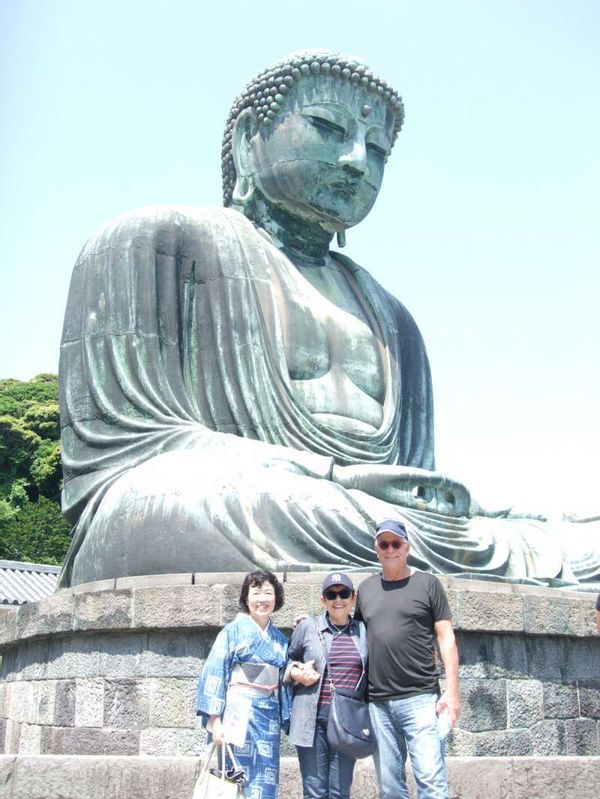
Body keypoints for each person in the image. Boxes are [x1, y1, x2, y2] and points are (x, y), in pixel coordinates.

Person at [57, 48, 599, 589]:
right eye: (327, 127)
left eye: (379, 151)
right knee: (190, 504)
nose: (357, 161)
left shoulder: (394, 319)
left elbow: (415, 479)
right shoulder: (152, 243)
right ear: (250, 142)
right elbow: (124, 454)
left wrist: (448, 503)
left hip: (368, 514)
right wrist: (333, 475)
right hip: (243, 500)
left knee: (572, 542)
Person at [355, 519, 460, 799]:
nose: (390, 549)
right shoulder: (365, 589)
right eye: (384, 544)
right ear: (376, 549)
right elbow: (353, 636)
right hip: (378, 702)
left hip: (421, 699)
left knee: (431, 782)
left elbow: (446, 638)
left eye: (396, 543)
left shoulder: (428, 584)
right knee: (389, 789)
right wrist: (311, 625)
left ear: (407, 547)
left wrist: (452, 693)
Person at [196, 570, 290, 799]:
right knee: (232, 783)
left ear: (275, 599)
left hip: (267, 719)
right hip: (236, 717)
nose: (262, 599)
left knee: (265, 783)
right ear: (246, 599)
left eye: (268, 593)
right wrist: (215, 721)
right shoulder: (232, 632)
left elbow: (284, 682)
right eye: (256, 593)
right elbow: (215, 673)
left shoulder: (280, 640)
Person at [286, 572, 368, 799]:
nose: (338, 599)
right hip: (311, 721)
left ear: (353, 598)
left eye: (344, 593)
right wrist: (296, 672)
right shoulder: (307, 627)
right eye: (331, 595)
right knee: (314, 792)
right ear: (322, 600)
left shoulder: (364, 631)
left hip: (346, 721)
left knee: (340, 792)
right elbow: (286, 659)